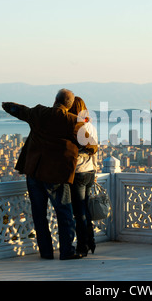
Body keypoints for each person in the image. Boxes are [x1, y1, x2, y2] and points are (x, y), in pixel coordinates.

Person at [1, 89, 97, 260]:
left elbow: (20, 110)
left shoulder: (39, 113)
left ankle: (46, 252)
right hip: (56, 175)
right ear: (69, 105)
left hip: (34, 172)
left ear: (55, 100)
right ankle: (67, 251)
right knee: (64, 212)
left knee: (39, 214)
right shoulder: (73, 122)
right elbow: (92, 146)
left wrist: (7, 106)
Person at [68, 97, 98, 257]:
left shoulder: (76, 127)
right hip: (90, 171)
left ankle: (82, 245)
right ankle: (91, 240)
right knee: (85, 208)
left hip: (79, 172)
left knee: (79, 212)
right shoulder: (91, 126)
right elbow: (95, 148)